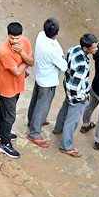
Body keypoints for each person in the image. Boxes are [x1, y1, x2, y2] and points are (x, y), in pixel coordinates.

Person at [52, 33, 97, 157]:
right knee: (72, 121)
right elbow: (75, 86)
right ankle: (66, 146)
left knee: (64, 109)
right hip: (77, 95)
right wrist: (81, 97)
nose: (96, 49)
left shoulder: (74, 49)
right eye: (94, 47)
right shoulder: (82, 65)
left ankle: (57, 129)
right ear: (85, 48)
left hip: (67, 87)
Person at [0, 22, 35, 157]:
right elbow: (17, 71)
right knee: (9, 116)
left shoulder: (25, 42)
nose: (15, 41)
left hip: (17, 86)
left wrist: (22, 53)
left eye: (17, 38)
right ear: (7, 35)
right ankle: (4, 144)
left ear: (21, 35)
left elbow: (32, 62)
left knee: (4, 111)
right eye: (12, 38)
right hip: (7, 88)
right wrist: (25, 60)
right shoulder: (4, 51)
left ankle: (0, 132)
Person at [25, 18, 64, 146]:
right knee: (42, 106)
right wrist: (62, 58)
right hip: (48, 81)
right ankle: (34, 133)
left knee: (35, 100)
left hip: (40, 75)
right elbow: (64, 66)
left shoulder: (41, 36)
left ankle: (32, 121)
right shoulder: (52, 51)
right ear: (57, 33)